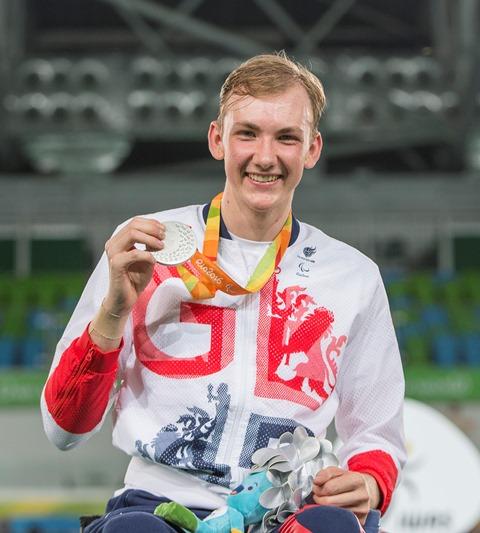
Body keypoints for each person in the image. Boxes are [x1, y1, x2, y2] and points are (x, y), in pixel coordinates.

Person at [41, 52, 406, 533]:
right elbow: (62, 432)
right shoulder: (145, 245)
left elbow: (377, 434)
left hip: (284, 512)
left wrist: (369, 483)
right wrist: (111, 314)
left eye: (287, 137)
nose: (265, 156)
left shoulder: (353, 276)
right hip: (157, 507)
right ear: (218, 139)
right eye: (247, 133)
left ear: (312, 149)